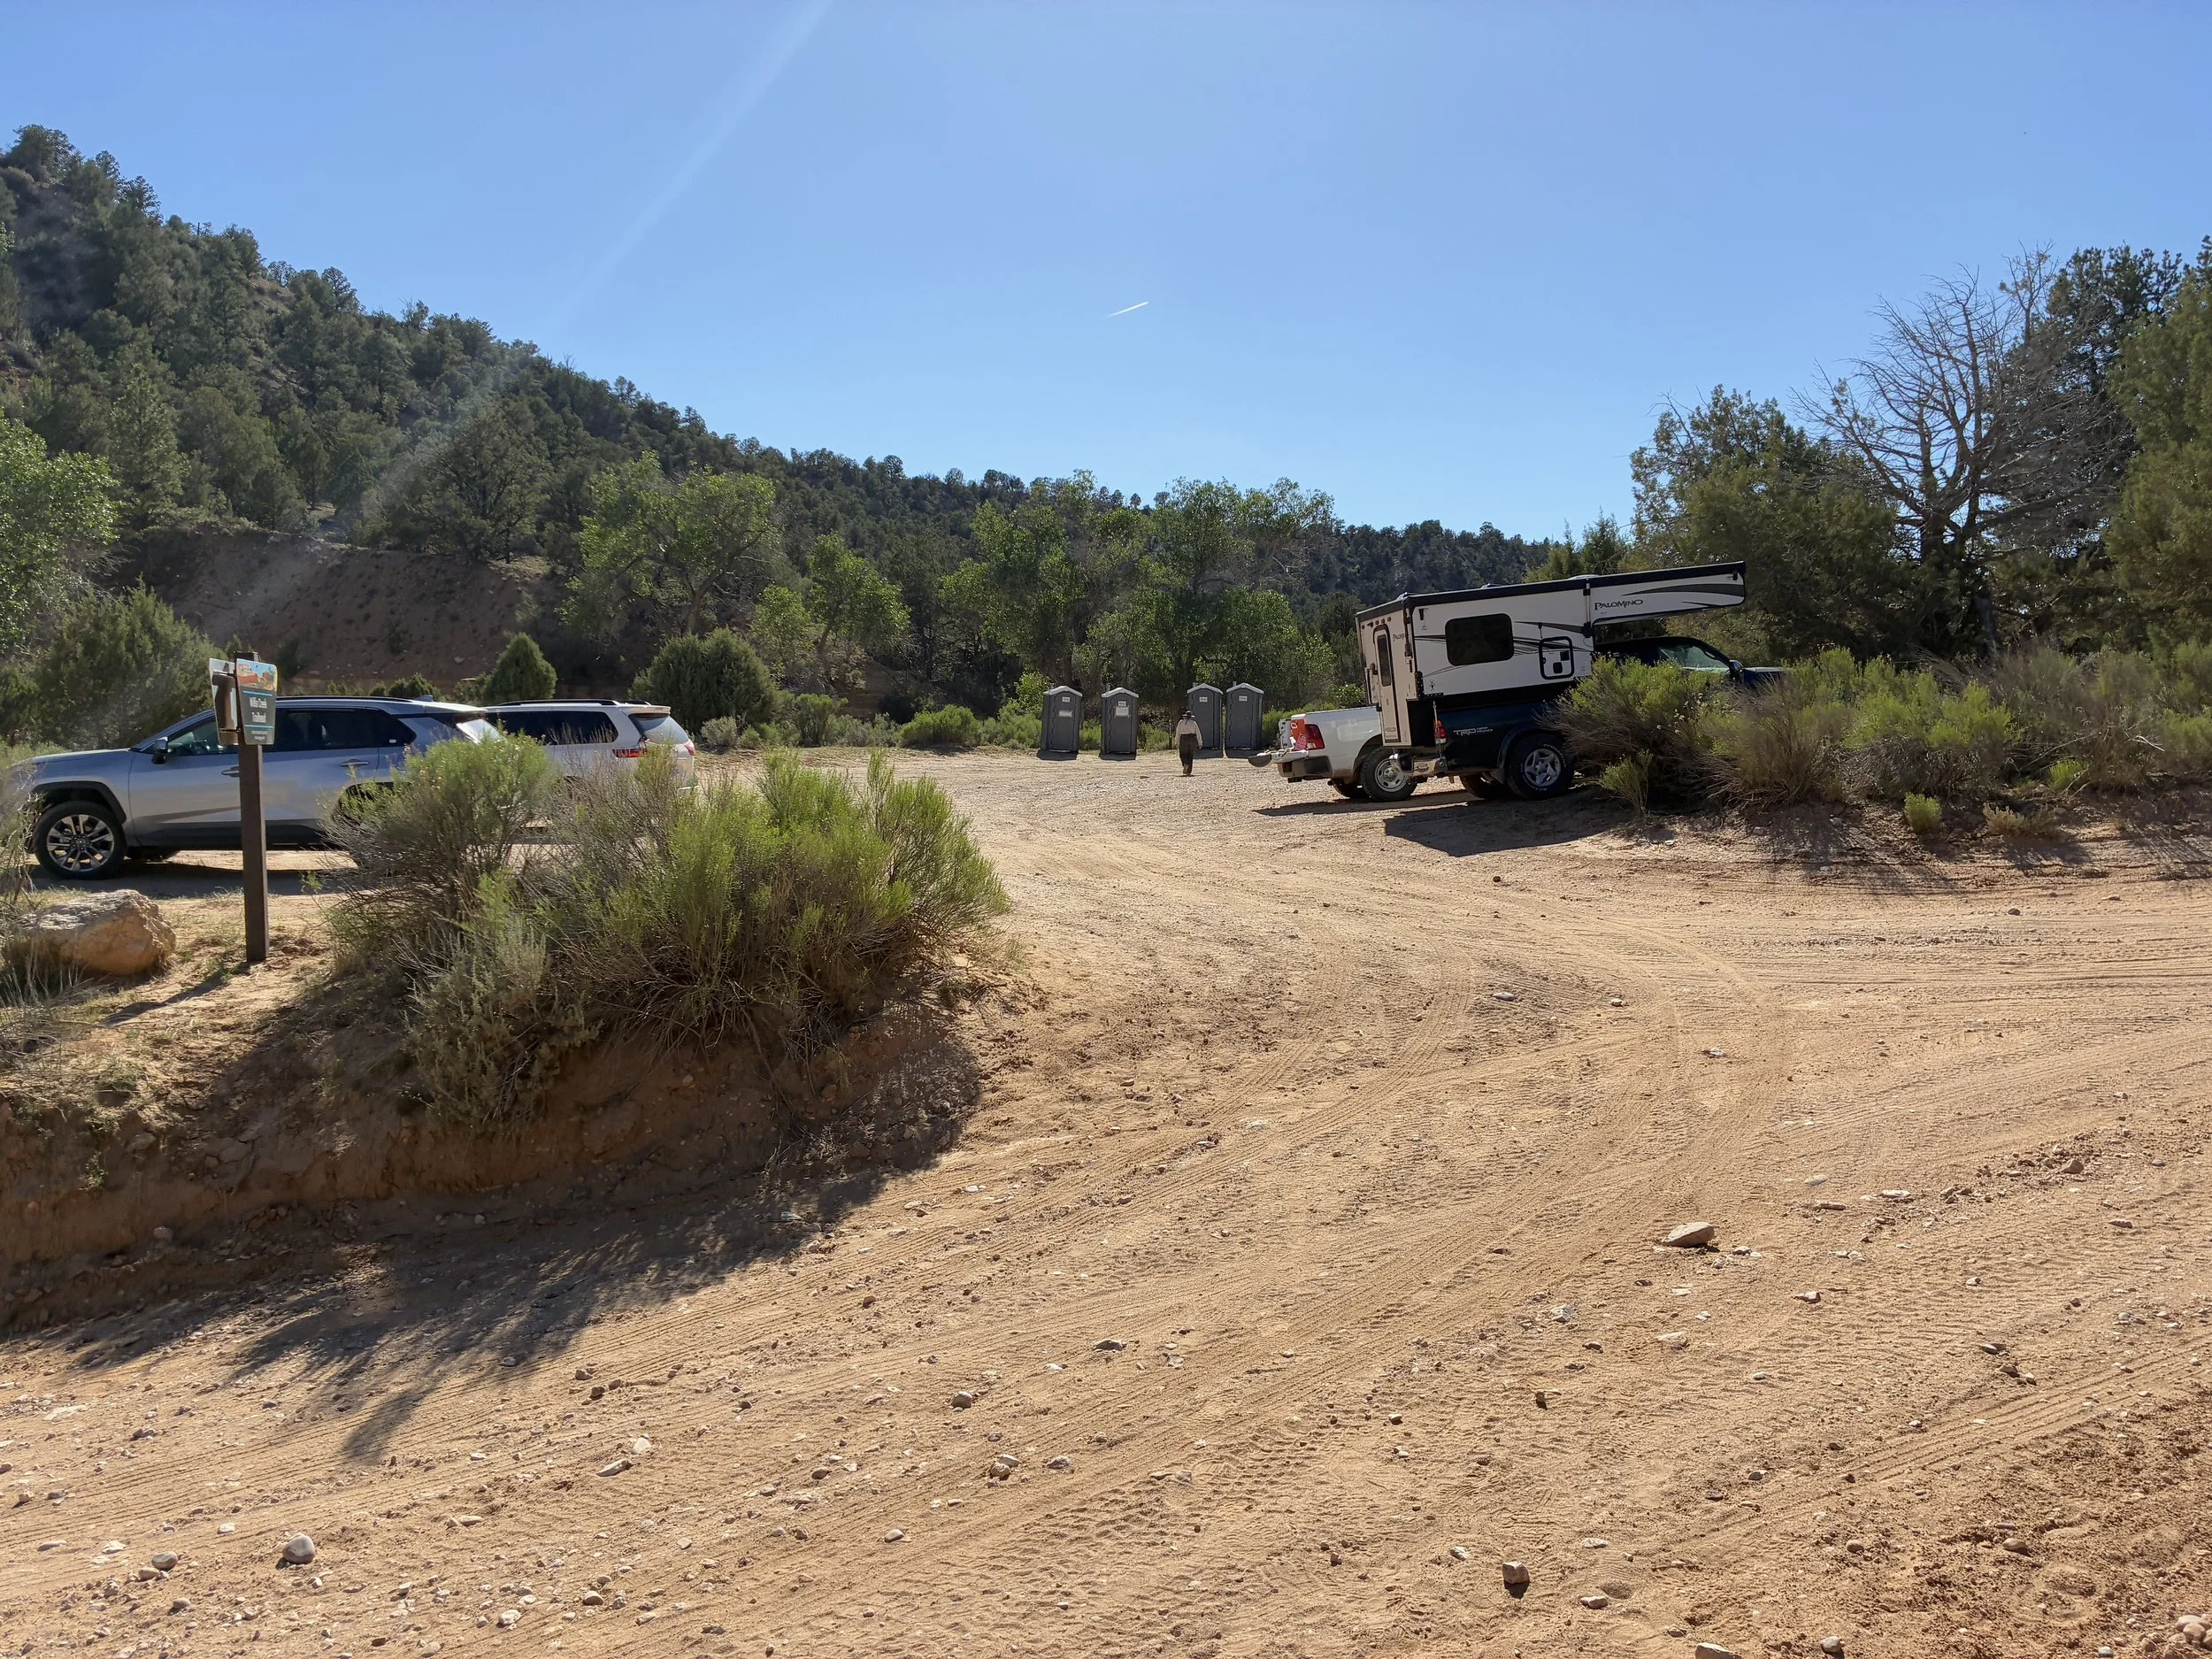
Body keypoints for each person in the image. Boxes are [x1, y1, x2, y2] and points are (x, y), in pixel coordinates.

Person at [1175, 708, 1201, 775]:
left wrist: (1176, 742)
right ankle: (1189, 771)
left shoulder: (1181, 722)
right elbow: (1198, 733)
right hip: (1192, 739)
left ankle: (1185, 763)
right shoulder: (1194, 723)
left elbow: (1178, 733)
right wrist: (1200, 742)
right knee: (1190, 755)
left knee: (1183, 754)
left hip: (1184, 738)